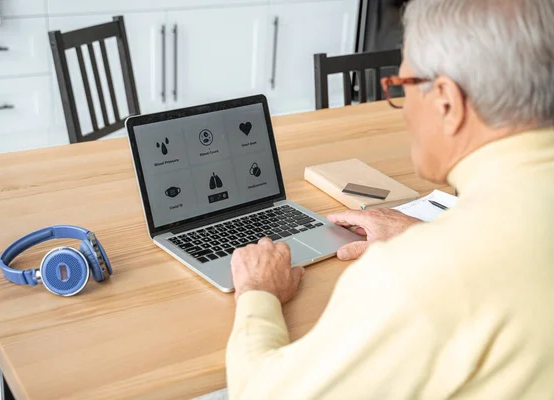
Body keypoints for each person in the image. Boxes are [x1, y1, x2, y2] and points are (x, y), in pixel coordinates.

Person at [226, 0, 554, 398]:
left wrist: (258, 291)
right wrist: (424, 235)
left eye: (402, 87)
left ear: (447, 103)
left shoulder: (410, 279)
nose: (402, 111)